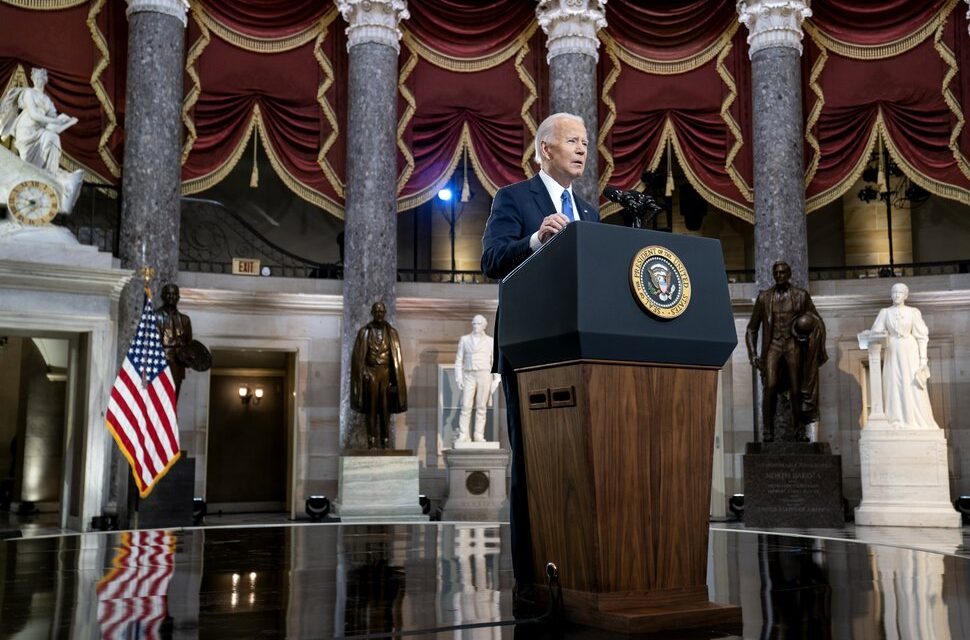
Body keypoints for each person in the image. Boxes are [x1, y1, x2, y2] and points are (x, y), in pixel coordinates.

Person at [481, 112, 599, 601]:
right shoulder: (513, 199)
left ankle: (578, 568)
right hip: (529, 351)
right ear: (545, 149)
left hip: (584, 352)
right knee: (532, 464)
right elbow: (491, 260)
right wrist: (534, 241)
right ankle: (530, 579)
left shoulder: (590, 213)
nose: (582, 149)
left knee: (581, 461)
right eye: (573, 141)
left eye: (587, 143)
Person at [745, 261, 827, 442]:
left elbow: (817, 321)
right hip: (773, 346)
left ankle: (799, 431)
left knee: (796, 388)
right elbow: (751, 329)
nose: (779, 276)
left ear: (789, 274)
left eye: (783, 273)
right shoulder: (764, 298)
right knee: (770, 386)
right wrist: (753, 355)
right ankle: (767, 430)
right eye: (776, 273)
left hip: (792, 345)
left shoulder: (801, 296)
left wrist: (809, 333)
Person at [870, 283, 939, 429]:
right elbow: (876, 331)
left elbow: (922, 336)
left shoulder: (913, 312)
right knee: (893, 383)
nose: (896, 295)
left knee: (911, 384)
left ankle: (914, 420)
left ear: (905, 295)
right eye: (894, 292)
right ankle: (896, 419)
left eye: (900, 293)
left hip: (909, 349)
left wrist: (923, 360)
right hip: (893, 349)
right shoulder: (885, 312)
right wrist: (877, 333)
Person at [350, 302, 408, 449]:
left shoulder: (392, 333)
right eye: (376, 311)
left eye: (382, 311)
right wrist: (363, 372)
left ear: (385, 313)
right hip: (370, 372)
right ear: (372, 313)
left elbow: (397, 358)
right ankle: (371, 439)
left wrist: (395, 382)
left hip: (386, 373)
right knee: (371, 407)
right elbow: (358, 357)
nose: (379, 314)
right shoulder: (364, 332)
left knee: (384, 407)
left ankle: (385, 439)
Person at [0, 67, 77, 174]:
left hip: (40, 130)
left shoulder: (47, 100)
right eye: (36, 78)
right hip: (26, 130)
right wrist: (55, 121)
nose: (38, 81)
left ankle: (49, 174)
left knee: (53, 138)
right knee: (27, 165)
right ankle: (31, 177)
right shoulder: (29, 93)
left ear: (45, 80)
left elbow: (53, 128)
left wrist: (69, 122)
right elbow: (34, 114)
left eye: (40, 78)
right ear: (33, 79)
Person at [454, 314, 501, 443]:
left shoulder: (490, 341)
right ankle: (464, 435)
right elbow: (459, 361)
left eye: (479, 323)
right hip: (469, 374)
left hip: (484, 374)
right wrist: (459, 377)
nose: (476, 326)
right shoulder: (464, 339)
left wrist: (496, 379)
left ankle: (478, 435)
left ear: (484, 325)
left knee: (481, 407)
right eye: (474, 323)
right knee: (466, 406)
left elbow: (495, 361)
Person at [155, 284, 193, 400]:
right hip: (160, 364)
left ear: (178, 297)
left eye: (174, 294)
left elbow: (189, 345)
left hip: (177, 365)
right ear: (162, 296)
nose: (171, 297)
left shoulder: (185, 320)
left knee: (172, 401)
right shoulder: (155, 316)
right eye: (169, 294)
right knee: (159, 401)